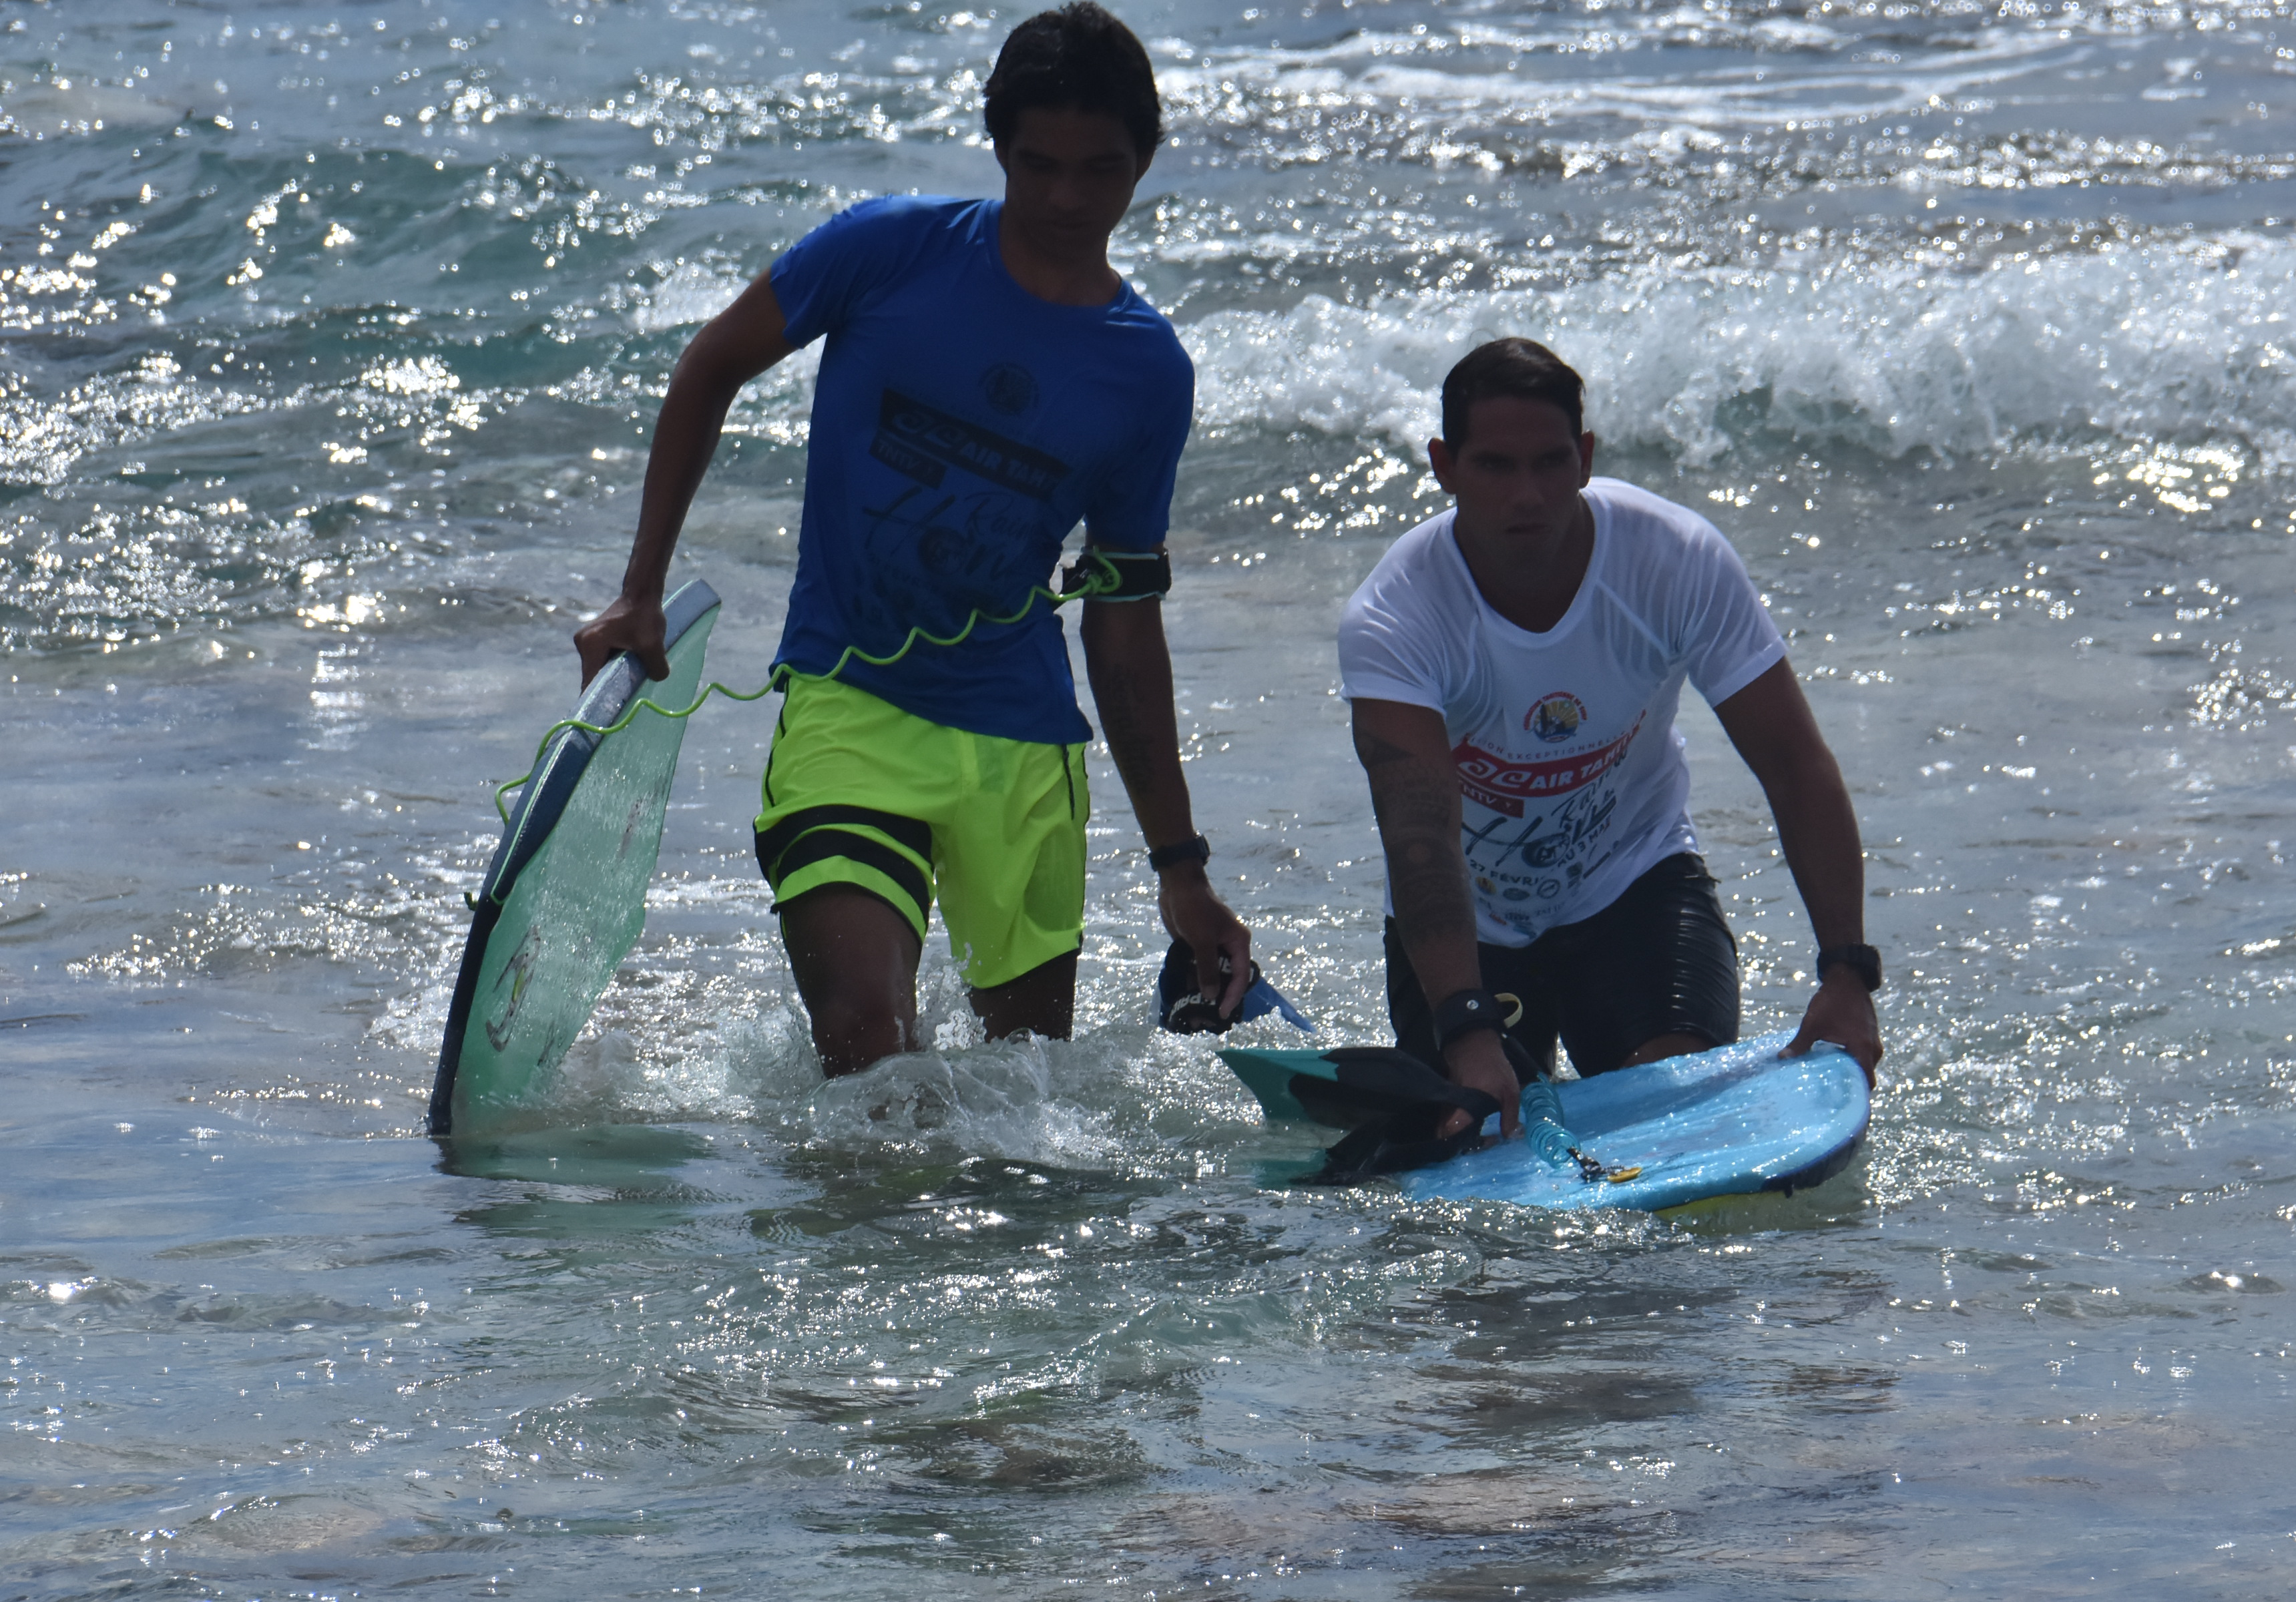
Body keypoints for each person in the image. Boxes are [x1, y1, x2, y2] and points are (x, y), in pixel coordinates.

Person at [570, 3, 1249, 1075]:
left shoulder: (1147, 372)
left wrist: (1182, 867)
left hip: (1020, 744)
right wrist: (638, 589)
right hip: (850, 703)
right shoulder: (888, 251)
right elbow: (709, 368)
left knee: (1018, 1095)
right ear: (997, 147)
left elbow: (1123, 619)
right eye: (1041, 166)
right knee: (863, 1042)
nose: (1070, 198)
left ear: (1147, 161)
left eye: (1102, 169)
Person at [1339, 337, 1883, 1139]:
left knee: (1666, 1118)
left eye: (1551, 463)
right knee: (1477, 1140)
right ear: (1443, 466)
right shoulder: (1397, 618)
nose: (1528, 494)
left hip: (1634, 884)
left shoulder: (1674, 560)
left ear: (1586, 457)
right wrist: (1465, 1026)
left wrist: (1848, 973)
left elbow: (1795, 764)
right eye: (1494, 466)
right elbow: (1420, 841)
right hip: (1472, 922)